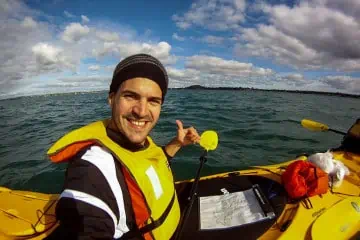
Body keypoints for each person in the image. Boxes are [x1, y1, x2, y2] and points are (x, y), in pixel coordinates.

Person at [45, 53, 201, 239]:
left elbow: (147, 166)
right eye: (130, 96)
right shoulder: (91, 170)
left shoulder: (141, 144)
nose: (141, 111)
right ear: (112, 98)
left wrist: (177, 144)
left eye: (153, 101)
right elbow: (86, 222)